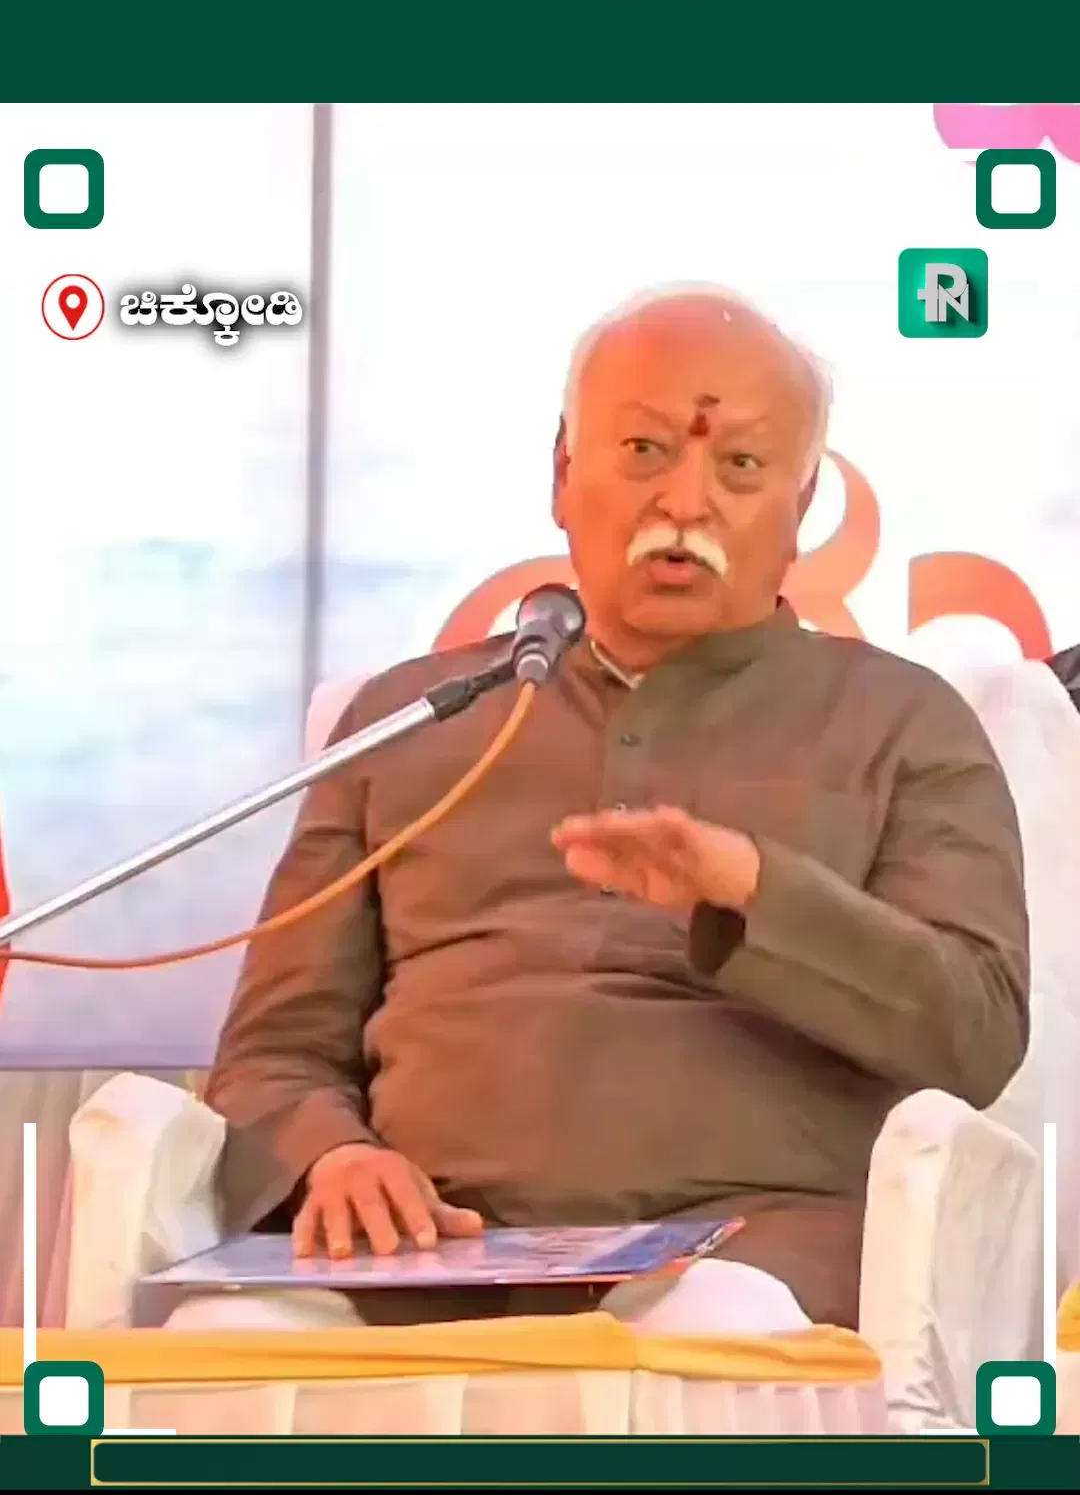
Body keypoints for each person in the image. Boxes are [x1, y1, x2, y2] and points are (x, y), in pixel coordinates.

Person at [187, 286, 1029, 1337]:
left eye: (741, 466)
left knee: (702, 1339)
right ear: (562, 472)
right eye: (643, 451)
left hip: (753, 1246)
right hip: (422, 1250)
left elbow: (976, 1032)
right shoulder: (410, 722)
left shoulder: (903, 721)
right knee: (219, 1343)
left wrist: (755, 892)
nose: (686, 502)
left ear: (803, 505)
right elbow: (275, 1049)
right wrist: (334, 1155)